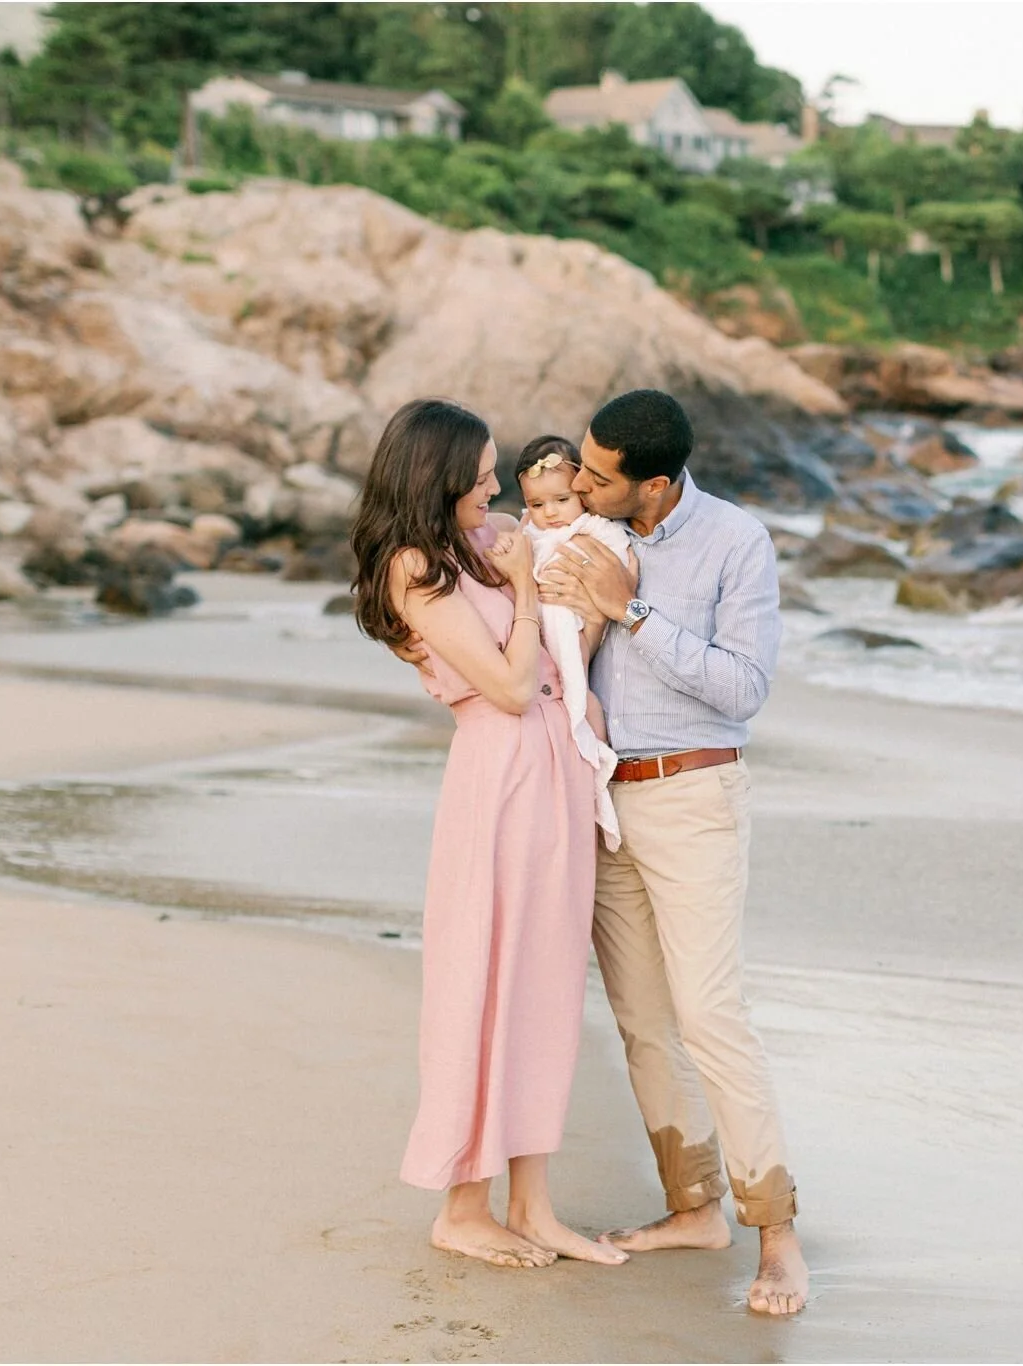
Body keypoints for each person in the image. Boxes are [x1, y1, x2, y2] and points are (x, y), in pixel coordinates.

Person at [538, 389, 809, 1316]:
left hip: (695, 795)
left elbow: (744, 689)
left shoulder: (737, 543)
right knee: (645, 1021)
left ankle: (776, 1234)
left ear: (654, 485)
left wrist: (635, 614)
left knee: (710, 1015)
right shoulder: (584, 529)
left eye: (597, 474)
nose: (576, 481)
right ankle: (692, 1207)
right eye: (578, 462)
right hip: (605, 801)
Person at [348, 398, 627, 1271]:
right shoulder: (411, 568)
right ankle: (462, 1204)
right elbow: (506, 688)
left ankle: (533, 1204)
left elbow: (566, 548)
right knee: (485, 979)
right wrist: (518, 591)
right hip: (500, 775)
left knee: (545, 983)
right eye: (477, 475)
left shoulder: (484, 537)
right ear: (436, 477)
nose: (494, 485)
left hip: (555, 771)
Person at [513, 435, 633, 852]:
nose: (550, 513)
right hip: (542, 622)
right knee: (558, 697)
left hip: (572, 621)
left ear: (580, 490)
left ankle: (598, 774)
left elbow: (625, 562)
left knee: (581, 697)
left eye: (561, 500)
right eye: (537, 505)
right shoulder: (527, 532)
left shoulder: (593, 528)